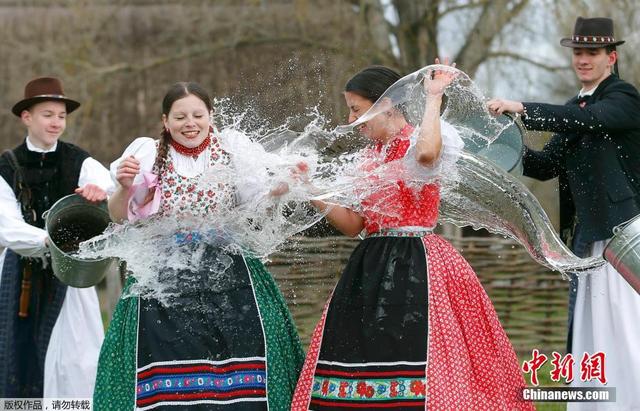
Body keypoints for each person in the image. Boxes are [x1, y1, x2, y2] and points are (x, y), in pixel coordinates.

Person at [291, 63, 532, 410]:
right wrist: (310, 189)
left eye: (357, 109)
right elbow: (354, 225)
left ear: (386, 104)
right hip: (369, 267)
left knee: (426, 352)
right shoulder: (367, 158)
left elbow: (426, 154)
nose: (350, 119)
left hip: (419, 263)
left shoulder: (421, 140)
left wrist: (434, 97)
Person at [93, 82, 304, 410]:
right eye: (180, 117)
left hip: (229, 269)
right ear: (166, 121)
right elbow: (120, 216)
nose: (189, 123)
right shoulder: (147, 153)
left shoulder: (232, 148)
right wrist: (122, 187)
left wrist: (281, 185)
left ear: (210, 116)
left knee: (245, 355)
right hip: (166, 274)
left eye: (197, 115)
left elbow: (258, 196)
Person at [487, 16, 640, 410]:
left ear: (612, 57)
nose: (583, 59)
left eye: (592, 52)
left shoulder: (624, 98)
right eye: (578, 52)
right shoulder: (575, 106)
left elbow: (591, 121)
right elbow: (544, 165)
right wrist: (499, 141)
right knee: (593, 330)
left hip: (627, 237)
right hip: (589, 240)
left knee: (629, 328)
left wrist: (522, 107)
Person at [0, 77, 114, 398]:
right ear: (27, 117)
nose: (56, 122)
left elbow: (115, 194)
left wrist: (100, 192)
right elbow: (6, 227)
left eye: (61, 116)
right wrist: (48, 241)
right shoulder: (6, 167)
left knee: (77, 363)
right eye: (48, 114)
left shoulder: (78, 160)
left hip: (72, 278)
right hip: (19, 276)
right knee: (17, 361)